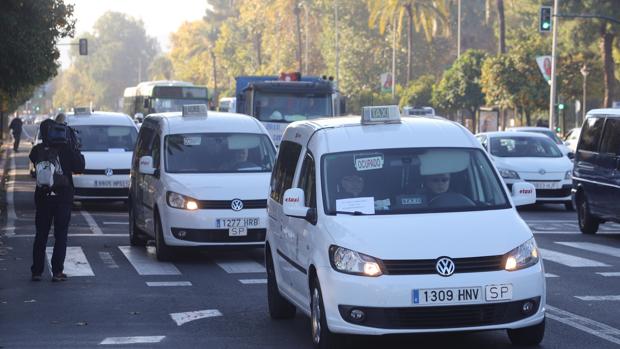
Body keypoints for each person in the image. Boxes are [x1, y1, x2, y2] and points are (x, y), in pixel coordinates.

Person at [29, 115, 85, 282]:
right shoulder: (67, 149)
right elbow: (80, 167)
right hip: (63, 196)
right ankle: (57, 271)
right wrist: (73, 146)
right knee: (60, 234)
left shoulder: (37, 150)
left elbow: (34, 163)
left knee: (41, 234)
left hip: (43, 196)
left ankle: (37, 271)